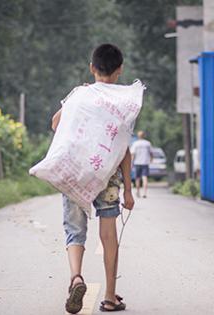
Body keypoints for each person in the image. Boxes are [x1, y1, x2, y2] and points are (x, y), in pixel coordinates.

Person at [51, 43, 134, 313]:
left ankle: (76, 277)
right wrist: (130, 191)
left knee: (74, 231)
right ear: (120, 70)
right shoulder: (122, 102)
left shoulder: (80, 95)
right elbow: (123, 150)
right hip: (107, 176)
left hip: (75, 173)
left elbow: (55, 124)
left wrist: (79, 96)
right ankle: (110, 298)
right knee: (108, 235)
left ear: (91, 68)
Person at [130, 131, 153, 198]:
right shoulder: (148, 143)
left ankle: (138, 192)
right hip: (145, 162)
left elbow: (133, 154)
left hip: (137, 163)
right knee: (145, 177)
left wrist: (131, 162)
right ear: (144, 135)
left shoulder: (135, 144)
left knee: (137, 178)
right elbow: (151, 153)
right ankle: (145, 193)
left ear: (138, 136)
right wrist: (151, 159)